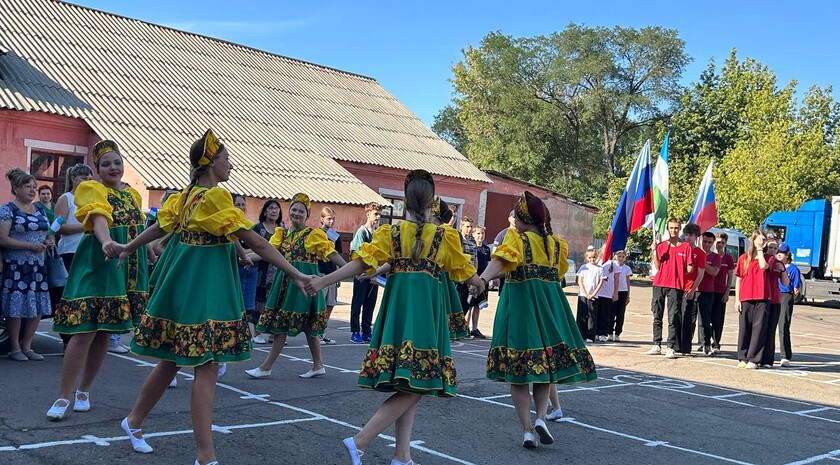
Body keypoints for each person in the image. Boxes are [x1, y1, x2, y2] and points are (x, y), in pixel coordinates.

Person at [117, 129, 310, 465]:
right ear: (210, 164)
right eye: (226, 159)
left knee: (173, 360)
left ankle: (133, 421)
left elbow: (159, 229)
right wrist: (296, 273)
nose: (231, 165)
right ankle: (205, 455)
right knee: (204, 364)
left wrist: (127, 247)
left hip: (189, 282)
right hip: (201, 284)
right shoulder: (212, 198)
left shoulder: (186, 196)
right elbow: (258, 242)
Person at [306, 170, 482, 465]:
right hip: (425, 313)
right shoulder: (443, 236)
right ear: (431, 201)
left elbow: (360, 262)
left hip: (399, 311)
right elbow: (464, 272)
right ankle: (360, 440)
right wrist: (480, 281)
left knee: (408, 381)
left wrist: (324, 281)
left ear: (405, 201)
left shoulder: (392, 233)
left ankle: (402, 455)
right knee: (423, 381)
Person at [481, 191, 596, 448]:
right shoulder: (555, 244)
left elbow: (500, 261)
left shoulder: (517, 240)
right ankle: (542, 417)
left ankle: (527, 430)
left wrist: (482, 280)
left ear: (523, 218)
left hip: (521, 308)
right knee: (545, 368)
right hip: (550, 310)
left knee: (518, 374)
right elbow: (560, 274)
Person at [47, 141, 150, 421]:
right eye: (106, 164)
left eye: (117, 162)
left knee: (105, 332)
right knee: (83, 332)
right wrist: (107, 242)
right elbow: (99, 217)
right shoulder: (91, 189)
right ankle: (63, 395)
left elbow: (138, 232)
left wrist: (152, 254)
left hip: (126, 268)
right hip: (97, 262)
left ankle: (85, 390)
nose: (113, 168)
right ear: (97, 169)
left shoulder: (133, 198)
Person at [245, 193, 346, 379]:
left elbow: (332, 254)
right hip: (286, 283)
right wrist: (243, 257)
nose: (297, 214)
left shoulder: (314, 235)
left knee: (287, 326)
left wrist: (349, 269)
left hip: (305, 285)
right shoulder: (282, 234)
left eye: (301, 211)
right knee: (304, 327)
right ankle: (318, 365)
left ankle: (266, 367)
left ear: (307, 215)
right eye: (294, 210)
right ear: (289, 212)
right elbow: (264, 251)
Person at [0, 168, 54, 361]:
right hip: (16, 266)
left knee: (37, 306)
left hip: (38, 266)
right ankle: (15, 347)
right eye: (27, 186)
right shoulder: (8, 209)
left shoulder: (39, 209)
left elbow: (48, 231)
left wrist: (50, 240)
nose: (32, 190)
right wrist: (30, 246)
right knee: (16, 307)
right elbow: (3, 239)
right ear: (16, 188)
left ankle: (27, 346)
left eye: (34, 187)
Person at [52, 163, 94, 351]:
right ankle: (67, 338)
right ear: (74, 179)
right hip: (70, 252)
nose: (87, 180)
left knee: (86, 296)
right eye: (83, 177)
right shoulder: (66, 198)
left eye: (89, 177)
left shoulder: (93, 199)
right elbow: (58, 227)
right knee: (68, 296)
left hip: (90, 251)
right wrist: (85, 226)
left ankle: (83, 337)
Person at [647, 218, 694, 359]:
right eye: (671, 228)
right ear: (667, 229)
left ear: (680, 229)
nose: (674, 230)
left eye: (676, 228)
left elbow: (690, 267)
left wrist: (679, 273)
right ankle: (656, 344)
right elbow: (658, 265)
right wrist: (654, 252)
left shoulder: (686, 247)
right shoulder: (661, 246)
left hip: (676, 286)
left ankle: (670, 346)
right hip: (660, 284)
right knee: (657, 315)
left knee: (673, 317)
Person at [734, 231, 776, 369]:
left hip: (762, 297)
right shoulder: (744, 258)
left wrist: (760, 250)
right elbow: (739, 279)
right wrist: (737, 300)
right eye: (760, 239)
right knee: (745, 328)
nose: (762, 241)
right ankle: (742, 356)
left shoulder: (768, 258)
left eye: (764, 240)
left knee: (759, 329)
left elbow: (763, 266)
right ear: (753, 240)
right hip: (746, 297)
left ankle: (754, 358)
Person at [249, 199, 282, 344]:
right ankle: (257, 332)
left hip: (276, 271)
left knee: (275, 301)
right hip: (260, 270)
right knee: (259, 301)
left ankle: (275, 333)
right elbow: (250, 246)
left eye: (276, 209)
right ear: (265, 211)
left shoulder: (282, 229)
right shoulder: (257, 228)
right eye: (271, 208)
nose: (274, 211)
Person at [348, 202, 381, 344]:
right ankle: (355, 331)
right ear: (368, 214)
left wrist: (376, 274)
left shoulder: (378, 234)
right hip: (362, 275)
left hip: (374, 276)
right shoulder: (362, 232)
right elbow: (358, 253)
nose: (378, 217)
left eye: (379, 214)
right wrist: (366, 273)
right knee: (358, 302)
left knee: (370, 303)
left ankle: (367, 331)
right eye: (375, 214)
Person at [760, 237, 789, 368]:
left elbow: (785, 283)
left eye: (775, 248)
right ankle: (757, 357)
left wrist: (782, 269)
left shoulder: (779, 263)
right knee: (760, 329)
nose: (772, 250)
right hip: (762, 298)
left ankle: (767, 359)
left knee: (771, 330)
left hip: (775, 300)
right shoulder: (763, 260)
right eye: (770, 247)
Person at [678, 223, 706, 355]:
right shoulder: (679, 248)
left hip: (689, 288)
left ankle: (685, 347)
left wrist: (693, 289)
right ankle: (674, 344)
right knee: (675, 317)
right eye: (687, 234)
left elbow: (700, 273)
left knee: (686, 317)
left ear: (696, 237)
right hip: (676, 286)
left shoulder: (700, 253)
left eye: (691, 235)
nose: (688, 237)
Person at [318, 206, 343, 345]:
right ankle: (316, 334)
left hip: (333, 273)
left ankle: (323, 332)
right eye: (329, 219)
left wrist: (339, 274)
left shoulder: (335, 236)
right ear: (322, 219)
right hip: (321, 273)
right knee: (320, 305)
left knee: (330, 304)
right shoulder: (317, 234)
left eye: (333, 219)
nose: (332, 221)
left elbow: (338, 254)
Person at [694, 231, 720, 355]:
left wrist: (702, 261)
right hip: (693, 289)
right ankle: (685, 344)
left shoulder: (715, 257)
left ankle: (706, 345)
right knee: (689, 318)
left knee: (705, 320)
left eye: (709, 242)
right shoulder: (695, 253)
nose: (706, 244)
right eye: (705, 241)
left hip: (707, 291)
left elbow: (714, 272)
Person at [777, 243, 801, 367]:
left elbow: (796, 288)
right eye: (778, 252)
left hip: (786, 295)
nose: (779, 254)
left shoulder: (793, 269)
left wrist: (791, 299)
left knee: (783, 326)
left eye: (782, 252)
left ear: (787, 255)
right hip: (775, 294)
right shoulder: (775, 266)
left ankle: (785, 355)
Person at [711, 232, 735, 354]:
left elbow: (730, 276)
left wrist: (727, 292)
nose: (720, 244)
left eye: (723, 243)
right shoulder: (709, 255)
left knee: (718, 319)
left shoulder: (728, 258)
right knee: (705, 318)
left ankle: (716, 343)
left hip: (720, 292)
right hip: (708, 291)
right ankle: (704, 342)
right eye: (718, 242)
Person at [467, 225, 490, 339]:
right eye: (478, 234)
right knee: (469, 305)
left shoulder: (486, 249)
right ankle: (465, 326)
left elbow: (489, 264)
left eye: (482, 234)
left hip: (483, 280)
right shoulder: (472, 247)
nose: (481, 236)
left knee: (478, 305)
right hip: (473, 280)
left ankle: (474, 328)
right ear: (473, 235)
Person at [576, 248, 602, 343]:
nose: (592, 259)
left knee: (592, 317)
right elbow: (580, 281)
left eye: (594, 257)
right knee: (582, 315)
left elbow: (600, 282)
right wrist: (585, 293)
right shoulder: (583, 267)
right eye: (590, 257)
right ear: (587, 258)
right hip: (583, 295)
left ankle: (590, 336)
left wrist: (593, 294)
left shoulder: (599, 269)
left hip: (594, 296)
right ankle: (580, 334)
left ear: (597, 257)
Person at [609, 250, 633, 342]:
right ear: (615, 256)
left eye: (623, 257)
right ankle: (610, 332)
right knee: (612, 312)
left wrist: (628, 295)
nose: (621, 258)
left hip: (623, 291)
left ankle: (618, 333)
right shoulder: (613, 266)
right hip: (614, 291)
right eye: (619, 256)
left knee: (620, 314)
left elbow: (627, 282)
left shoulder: (627, 268)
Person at [595, 251, 619, 343]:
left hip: (607, 293)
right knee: (596, 313)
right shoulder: (598, 261)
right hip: (596, 292)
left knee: (605, 314)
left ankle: (603, 333)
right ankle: (595, 332)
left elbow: (617, 279)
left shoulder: (614, 264)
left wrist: (615, 292)